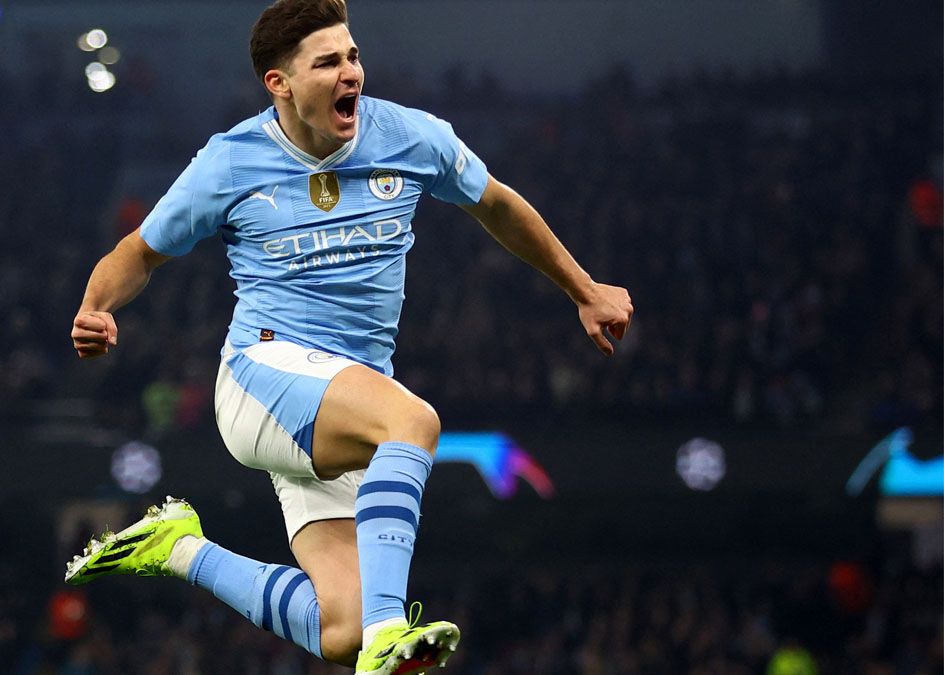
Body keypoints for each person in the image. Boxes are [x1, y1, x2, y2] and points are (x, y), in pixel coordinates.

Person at [65, 1, 633, 672]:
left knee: (341, 630)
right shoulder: (230, 162)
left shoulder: (410, 135)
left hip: (346, 402)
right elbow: (138, 251)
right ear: (279, 83)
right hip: (262, 376)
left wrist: (583, 289)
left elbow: (498, 205)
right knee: (413, 421)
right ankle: (391, 628)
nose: (351, 73)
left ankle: (180, 549)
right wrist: (96, 306)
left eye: (353, 56)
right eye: (328, 62)